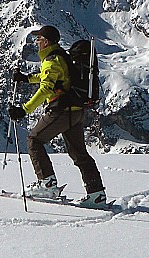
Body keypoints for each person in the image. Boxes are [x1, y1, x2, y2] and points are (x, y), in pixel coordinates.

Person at [9, 25, 108, 208]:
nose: (36, 42)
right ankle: (97, 194)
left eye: (38, 39)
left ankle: (47, 184)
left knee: (34, 140)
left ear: (46, 41)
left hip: (62, 111)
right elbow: (51, 77)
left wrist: (24, 109)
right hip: (76, 111)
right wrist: (27, 78)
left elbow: (46, 86)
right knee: (79, 153)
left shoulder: (51, 60)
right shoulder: (60, 57)